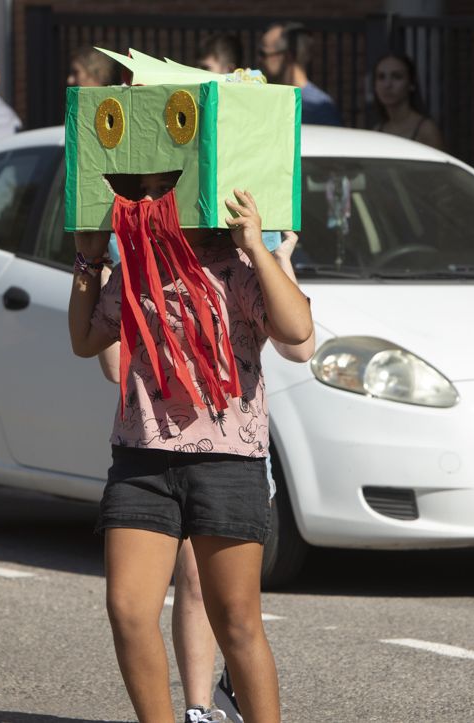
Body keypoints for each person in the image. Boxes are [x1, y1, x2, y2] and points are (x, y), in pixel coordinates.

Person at [69, 176, 313, 723]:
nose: (155, 197)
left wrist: (255, 244)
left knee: (237, 622)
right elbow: (86, 339)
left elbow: (297, 330)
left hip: (228, 460)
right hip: (143, 457)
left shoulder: (239, 265)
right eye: (148, 186)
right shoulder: (137, 262)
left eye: (167, 185)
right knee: (129, 612)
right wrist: (88, 261)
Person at [259, 23, 342, 127]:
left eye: (263, 54)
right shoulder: (276, 98)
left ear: (287, 56)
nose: (260, 60)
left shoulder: (317, 107)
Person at [372, 53, 443, 150]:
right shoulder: (378, 131)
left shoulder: (426, 130)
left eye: (397, 77)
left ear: (411, 84)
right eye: (381, 77)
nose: (387, 85)